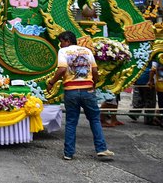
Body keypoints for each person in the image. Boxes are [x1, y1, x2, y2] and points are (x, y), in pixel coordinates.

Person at [46, 31, 114, 161]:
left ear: (67, 41)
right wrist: (94, 83)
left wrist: (51, 83)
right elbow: (94, 71)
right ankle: (101, 149)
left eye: (61, 41)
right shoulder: (87, 51)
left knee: (71, 122)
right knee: (94, 119)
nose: (60, 45)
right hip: (87, 89)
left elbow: (61, 69)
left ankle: (69, 153)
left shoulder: (63, 51)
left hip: (71, 90)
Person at [149, 61, 163, 128]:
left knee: (162, 104)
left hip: (160, 86)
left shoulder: (157, 59)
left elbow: (152, 70)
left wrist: (150, 80)